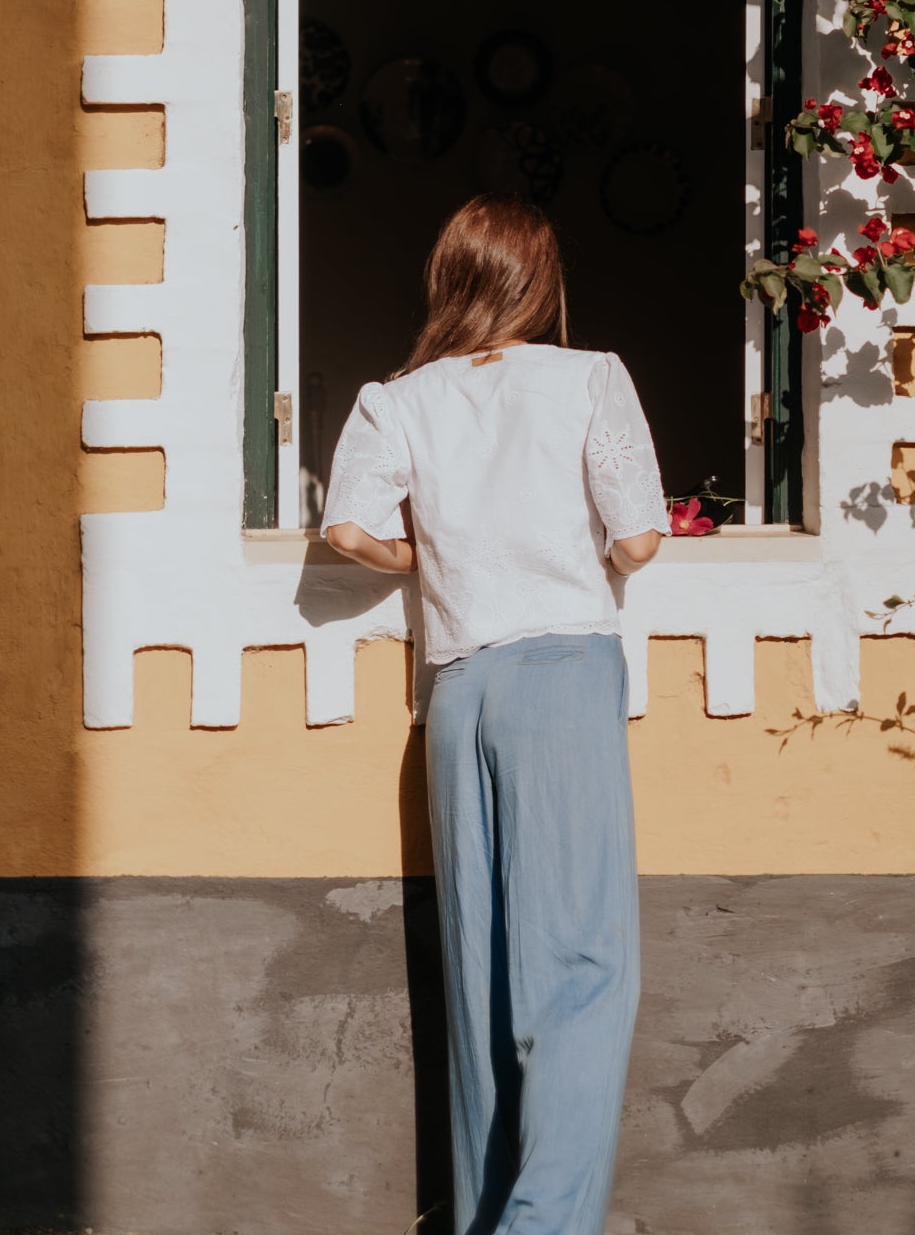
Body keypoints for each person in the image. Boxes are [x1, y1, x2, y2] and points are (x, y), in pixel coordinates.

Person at [319, 192, 670, 1235]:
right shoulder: (588, 378)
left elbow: (345, 530)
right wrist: (581, 549)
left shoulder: (400, 399)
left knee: (479, 983)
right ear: (538, 280)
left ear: (450, 278)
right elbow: (640, 540)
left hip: (457, 690)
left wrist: (423, 554)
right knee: (578, 974)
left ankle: (483, 1217)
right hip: (559, 673)